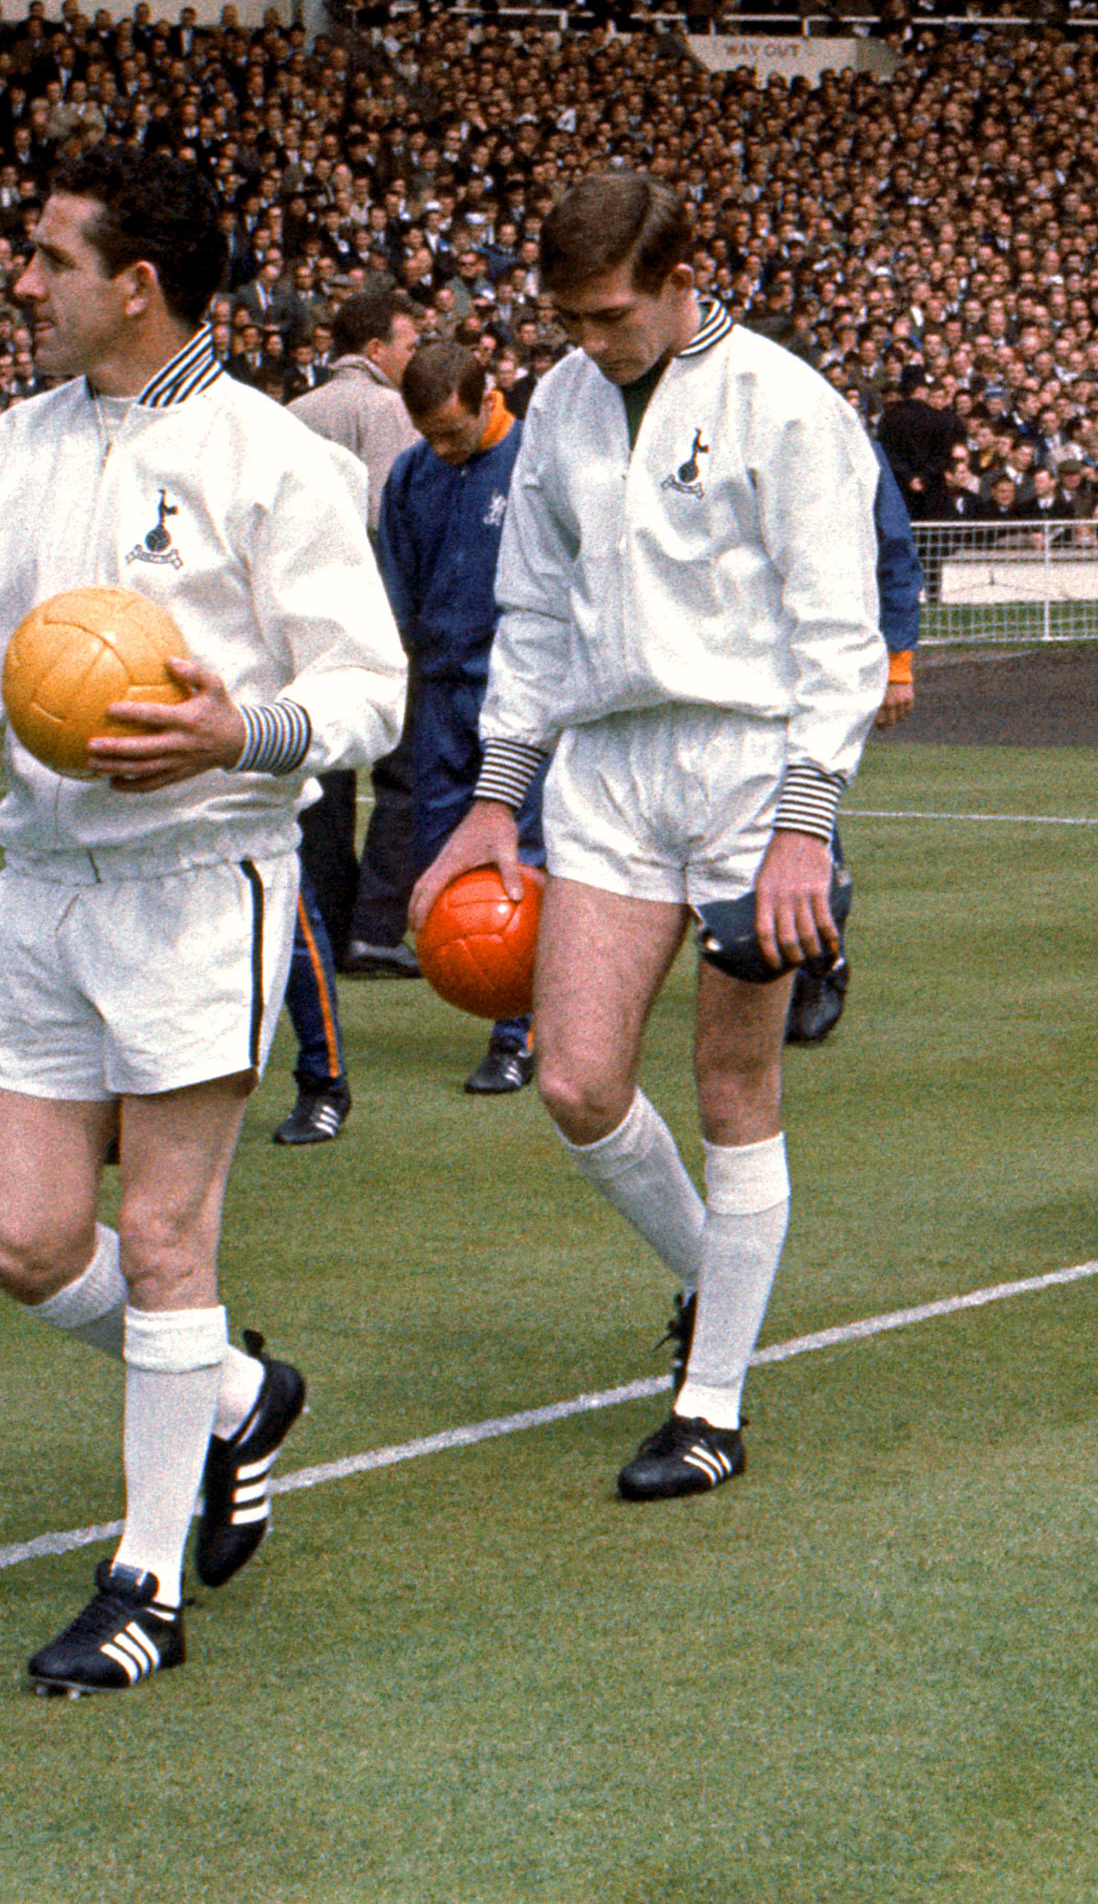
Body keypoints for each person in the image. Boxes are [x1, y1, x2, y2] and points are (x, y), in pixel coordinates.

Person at [0, 143, 405, 1693]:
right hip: (39, 887)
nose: (29, 283)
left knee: (171, 1235)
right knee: (23, 1238)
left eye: (54, 259)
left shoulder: (272, 459)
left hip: (201, 885)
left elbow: (368, 691)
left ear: (139, 285)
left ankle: (146, 1580)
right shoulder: (11, 447)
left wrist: (230, 734)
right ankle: (241, 1395)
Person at [407, 169, 884, 1504]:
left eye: (610, 315)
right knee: (575, 1082)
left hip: (747, 759)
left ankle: (712, 1402)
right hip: (609, 766)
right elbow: (537, 614)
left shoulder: (789, 404)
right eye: (566, 319)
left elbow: (840, 631)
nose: (589, 342)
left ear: (684, 281)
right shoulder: (557, 404)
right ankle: (711, 1277)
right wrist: (496, 797)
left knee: (734, 1082)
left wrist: (806, 825)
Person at [379, 333, 542, 1097]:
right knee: (446, 867)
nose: (441, 448)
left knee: (523, 859)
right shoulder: (411, 473)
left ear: (488, 400)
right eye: (427, 435)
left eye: (452, 430)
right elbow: (395, 590)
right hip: (442, 698)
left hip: (523, 699)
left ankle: (520, 1031)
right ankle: (490, 990)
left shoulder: (535, 465)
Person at [289, 281, 426, 1004]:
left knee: (323, 783)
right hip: (373, 617)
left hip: (298, 627)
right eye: (409, 344)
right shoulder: (385, 408)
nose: (415, 357)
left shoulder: (292, 411)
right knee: (402, 777)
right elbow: (386, 520)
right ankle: (374, 929)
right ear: (375, 350)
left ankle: (322, 919)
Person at [779, 455, 922, 1050]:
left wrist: (897, 663)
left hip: (817, 661)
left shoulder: (835, 433)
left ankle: (820, 958)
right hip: (726, 660)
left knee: (803, 805)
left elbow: (894, 549)